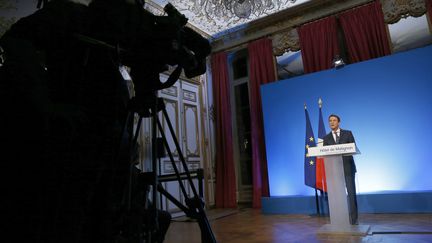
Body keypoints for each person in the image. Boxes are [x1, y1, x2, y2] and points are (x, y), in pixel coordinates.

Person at [323, 114, 358, 225]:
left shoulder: (348, 133)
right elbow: (325, 154)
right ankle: (339, 220)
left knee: (351, 194)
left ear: (339, 122)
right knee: (337, 196)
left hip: (348, 168)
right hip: (334, 170)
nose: (332, 122)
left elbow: (353, 148)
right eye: (330, 121)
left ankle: (353, 220)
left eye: (334, 120)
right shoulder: (326, 138)